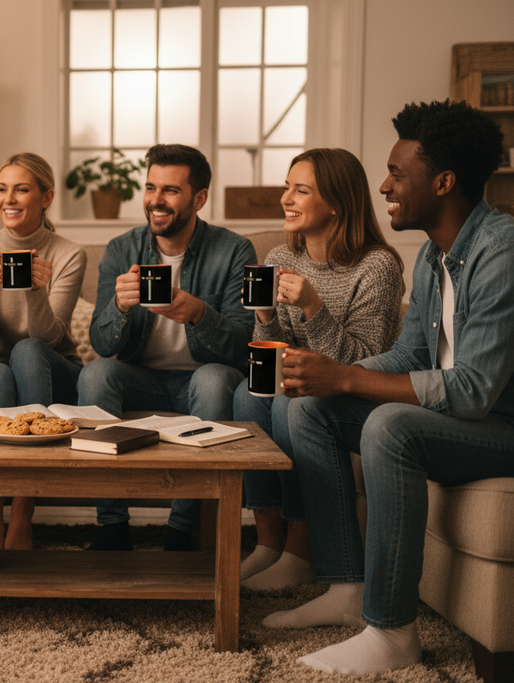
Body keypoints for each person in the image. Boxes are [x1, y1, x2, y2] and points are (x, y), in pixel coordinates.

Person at [263, 100, 513, 677]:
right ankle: (346, 585)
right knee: (311, 410)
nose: (383, 185)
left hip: (501, 427)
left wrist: (347, 374)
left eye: (398, 174)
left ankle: (393, 630)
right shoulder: (432, 255)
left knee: (391, 425)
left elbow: (473, 390)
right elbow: (410, 356)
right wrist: (328, 380)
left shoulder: (501, 251)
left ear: (444, 182)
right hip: (467, 425)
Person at [235, 148, 404, 591]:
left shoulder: (377, 267)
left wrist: (313, 306)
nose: (285, 199)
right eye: (287, 188)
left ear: (335, 202)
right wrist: (267, 316)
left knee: (293, 404)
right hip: (299, 382)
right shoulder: (278, 256)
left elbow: (365, 359)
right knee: (244, 393)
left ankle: (300, 547)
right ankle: (268, 543)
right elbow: (274, 347)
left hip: (350, 391)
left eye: (300, 190)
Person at [77, 143, 255, 552]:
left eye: (170, 191)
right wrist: (119, 306)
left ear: (200, 198)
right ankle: (112, 528)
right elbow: (102, 344)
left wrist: (197, 313)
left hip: (203, 375)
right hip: (143, 378)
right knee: (96, 374)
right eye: (150, 187)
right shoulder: (122, 249)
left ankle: (182, 531)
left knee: (212, 380)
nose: (156, 200)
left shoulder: (233, 251)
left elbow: (244, 346)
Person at [0, 152, 87, 549]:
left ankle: (22, 512)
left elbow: (50, 338)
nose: (8, 199)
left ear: (46, 197)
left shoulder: (68, 254)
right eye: (1, 189)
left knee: (29, 351)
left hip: (52, 367)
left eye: (21, 189)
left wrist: (36, 291)